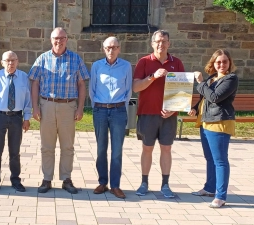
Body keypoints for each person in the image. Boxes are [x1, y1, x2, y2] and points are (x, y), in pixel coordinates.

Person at [29, 27, 90, 194]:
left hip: (68, 107)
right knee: (47, 146)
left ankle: (66, 179)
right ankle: (46, 179)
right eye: (56, 38)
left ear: (67, 39)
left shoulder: (75, 59)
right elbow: (34, 83)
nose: (59, 41)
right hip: (47, 105)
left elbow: (81, 84)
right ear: (51, 40)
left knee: (67, 146)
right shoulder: (42, 59)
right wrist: (35, 107)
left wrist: (80, 108)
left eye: (62, 38)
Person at [132, 30, 185, 198]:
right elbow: (136, 87)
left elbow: (182, 91)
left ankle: (165, 185)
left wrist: (174, 110)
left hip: (168, 115)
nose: (161, 44)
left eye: (164, 41)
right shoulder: (144, 62)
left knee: (166, 148)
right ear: (152, 43)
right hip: (148, 113)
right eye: (158, 41)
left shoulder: (176, 63)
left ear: (169, 43)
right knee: (147, 148)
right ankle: (144, 183)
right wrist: (153, 77)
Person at [189, 49, 238, 208]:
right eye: (218, 62)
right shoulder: (212, 78)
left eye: (225, 61)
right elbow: (205, 98)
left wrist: (201, 82)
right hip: (205, 122)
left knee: (220, 161)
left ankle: (220, 196)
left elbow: (215, 97)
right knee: (210, 158)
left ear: (229, 63)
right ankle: (209, 188)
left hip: (219, 123)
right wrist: (195, 108)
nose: (221, 64)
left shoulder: (230, 79)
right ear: (213, 63)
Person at [89, 37, 132, 198]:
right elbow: (92, 90)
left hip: (118, 111)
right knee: (101, 149)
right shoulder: (96, 66)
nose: (111, 50)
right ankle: (102, 182)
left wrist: (120, 107)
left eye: (114, 47)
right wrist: (97, 107)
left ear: (119, 49)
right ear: (103, 49)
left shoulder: (126, 66)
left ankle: (115, 185)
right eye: (108, 47)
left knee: (117, 150)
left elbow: (128, 91)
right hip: (100, 111)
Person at [0, 51, 31, 193]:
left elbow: (27, 99)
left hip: (16, 117)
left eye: (13, 60)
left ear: (18, 61)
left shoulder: (23, 77)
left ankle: (15, 180)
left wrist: (26, 118)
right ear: (2, 62)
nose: (10, 63)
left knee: (15, 152)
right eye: (7, 60)